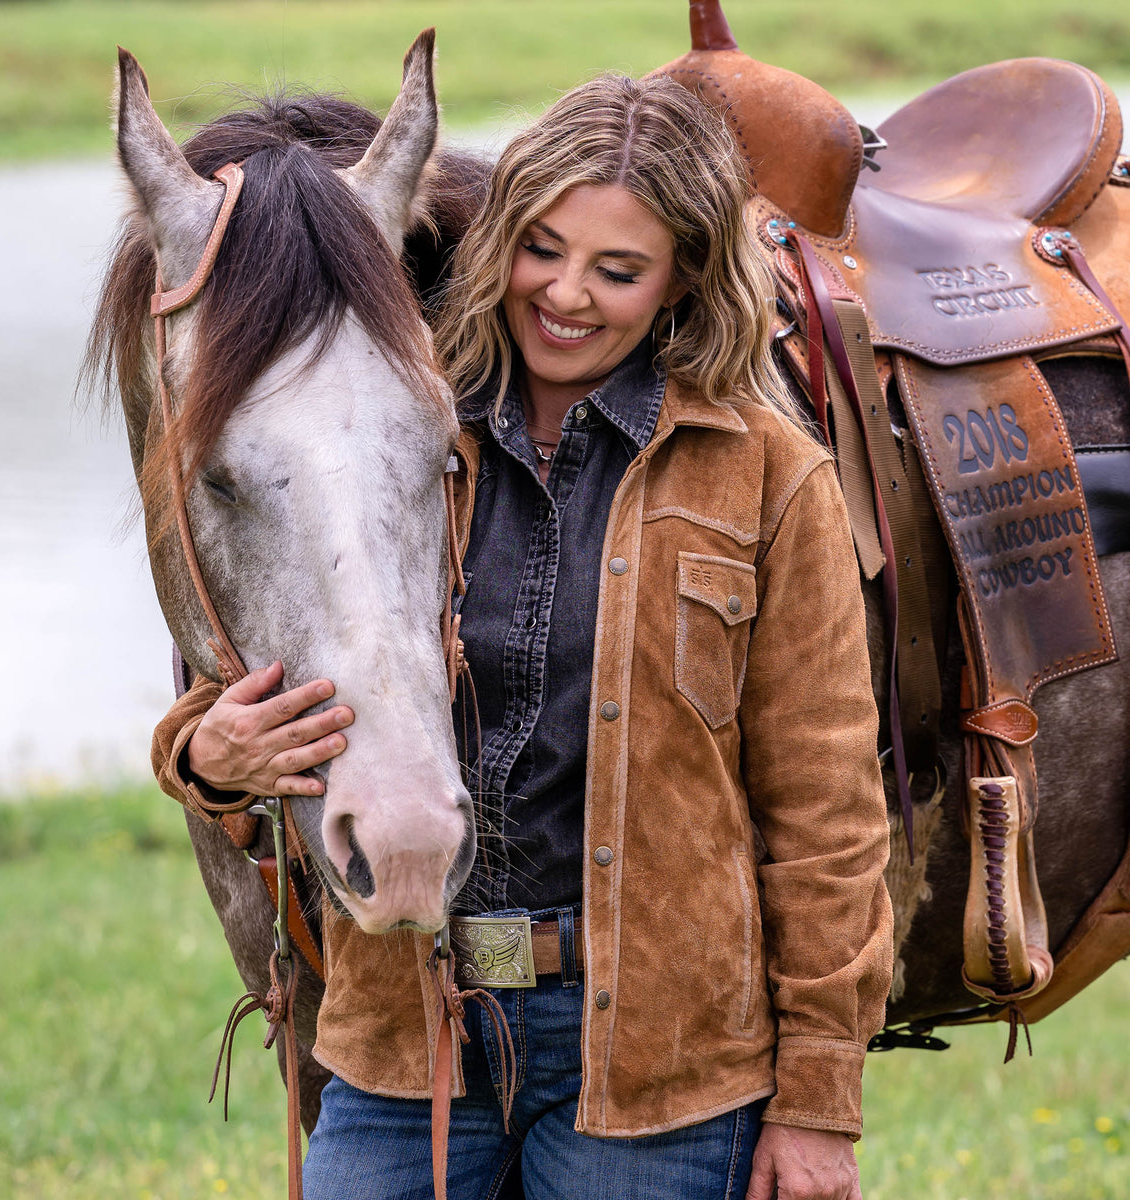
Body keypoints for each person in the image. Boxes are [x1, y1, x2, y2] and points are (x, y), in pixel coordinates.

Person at [153, 74, 892, 1200]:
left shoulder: (767, 477)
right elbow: (288, 641)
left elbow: (827, 814)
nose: (568, 295)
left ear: (683, 278)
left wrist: (820, 1106)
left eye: (618, 269)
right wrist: (203, 758)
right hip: (408, 1039)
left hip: (660, 1069)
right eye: (545, 248)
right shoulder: (404, 432)